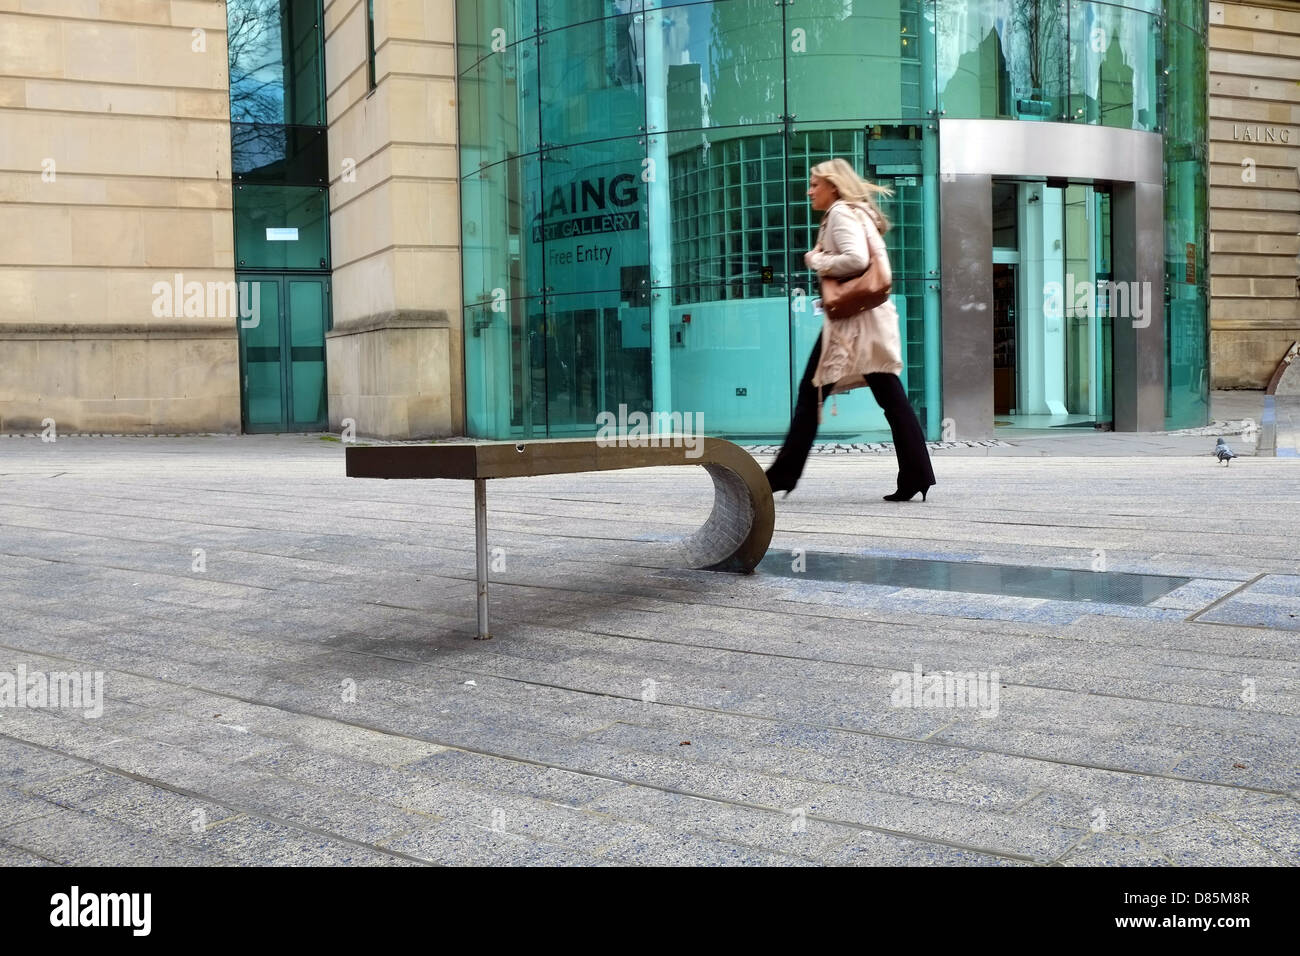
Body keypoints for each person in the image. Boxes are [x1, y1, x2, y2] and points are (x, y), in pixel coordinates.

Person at [765, 158, 936, 502]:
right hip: (865, 320)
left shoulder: (842, 213)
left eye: (815, 184)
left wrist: (817, 260)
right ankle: (917, 474)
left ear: (834, 186)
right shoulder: (854, 212)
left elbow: (856, 260)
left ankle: (781, 475)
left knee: (811, 393)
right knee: (889, 396)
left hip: (854, 324)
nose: (809, 191)